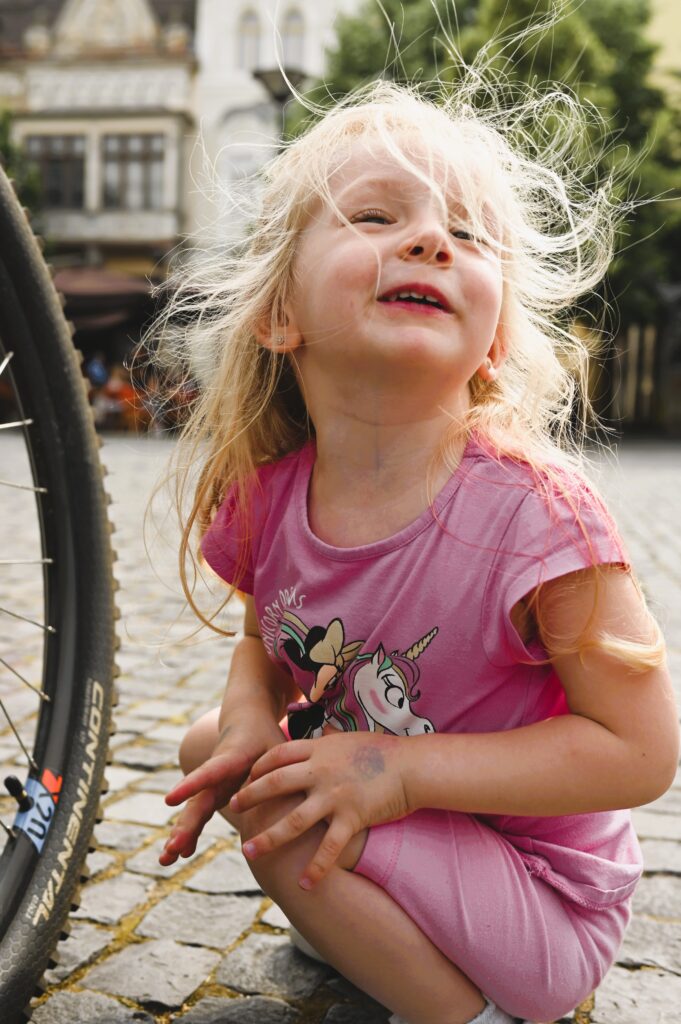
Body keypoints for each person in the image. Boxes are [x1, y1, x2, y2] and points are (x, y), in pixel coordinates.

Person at [152, 77, 679, 1024]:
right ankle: (369, 932)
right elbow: (261, 646)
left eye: (468, 234)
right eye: (375, 216)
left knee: (281, 794)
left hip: (541, 899)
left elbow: (640, 751)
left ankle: (462, 1014)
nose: (433, 239)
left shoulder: (536, 516)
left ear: (494, 339)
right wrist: (246, 719)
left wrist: (396, 773)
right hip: (403, 829)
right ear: (278, 313)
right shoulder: (268, 497)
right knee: (221, 753)